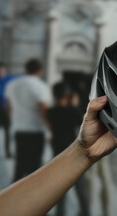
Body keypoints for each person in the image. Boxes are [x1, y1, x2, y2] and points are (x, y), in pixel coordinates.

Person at [0, 96, 117, 216]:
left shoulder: (52, 111)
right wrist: (82, 152)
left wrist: (83, 152)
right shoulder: (70, 111)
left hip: (50, 145)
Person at [47, 82, 90, 216]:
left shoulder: (50, 112)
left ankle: (60, 213)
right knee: (81, 188)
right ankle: (85, 212)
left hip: (57, 154)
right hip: (73, 154)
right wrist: (75, 104)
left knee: (60, 191)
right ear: (67, 95)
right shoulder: (73, 111)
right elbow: (84, 123)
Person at [5, 59, 51, 182]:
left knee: (19, 163)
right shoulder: (41, 86)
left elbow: (8, 107)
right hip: (36, 130)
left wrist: (14, 121)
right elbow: (43, 110)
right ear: (39, 70)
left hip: (19, 129)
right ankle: (32, 196)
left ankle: (14, 194)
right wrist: (50, 128)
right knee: (34, 167)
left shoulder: (12, 84)